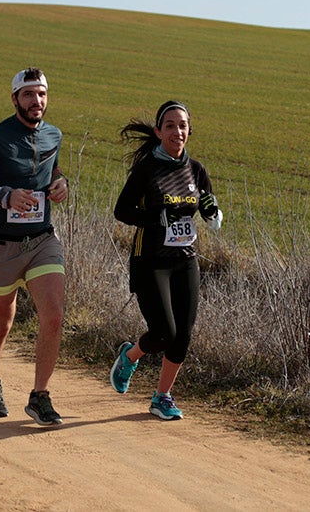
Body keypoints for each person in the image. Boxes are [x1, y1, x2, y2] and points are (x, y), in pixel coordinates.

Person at [0, 67, 69, 426]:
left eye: (41, 94)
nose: (36, 101)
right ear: (14, 99)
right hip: (2, 246)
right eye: (28, 95)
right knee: (0, 323)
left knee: (53, 317)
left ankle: (40, 396)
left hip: (42, 240)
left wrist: (60, 183)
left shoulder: (54, 134)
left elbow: (52, 170)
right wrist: (2, 195)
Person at [110, 100, 223, 420]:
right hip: (151, 261)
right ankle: (130, 356)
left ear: (189, 131)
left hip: (185, 260)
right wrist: (158, 218)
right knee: (163, 333)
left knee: (183, 336)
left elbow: (206, 205)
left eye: (183, 125)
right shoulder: (147, 169)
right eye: (170, 125)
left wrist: (213, 214)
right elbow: (122, 212)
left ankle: (162, 397)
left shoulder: (196, 169)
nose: (178, 131)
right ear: (159, 132)